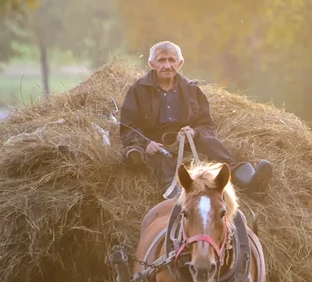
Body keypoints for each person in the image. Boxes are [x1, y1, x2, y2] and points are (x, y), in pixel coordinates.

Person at [116, 41, 272, 195]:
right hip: (157, 145)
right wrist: (145, 144)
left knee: (212, 145)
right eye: (161, 60)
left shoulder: (192, 90)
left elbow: (206, 125)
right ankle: (176, 195)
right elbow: (128, 126)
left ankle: (249, 182)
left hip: (188, 141)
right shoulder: (138, 91)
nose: (167, 65)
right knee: (162, 163)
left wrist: (194, 133)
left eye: (171, 60)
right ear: (151, 64)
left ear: (180, 63)